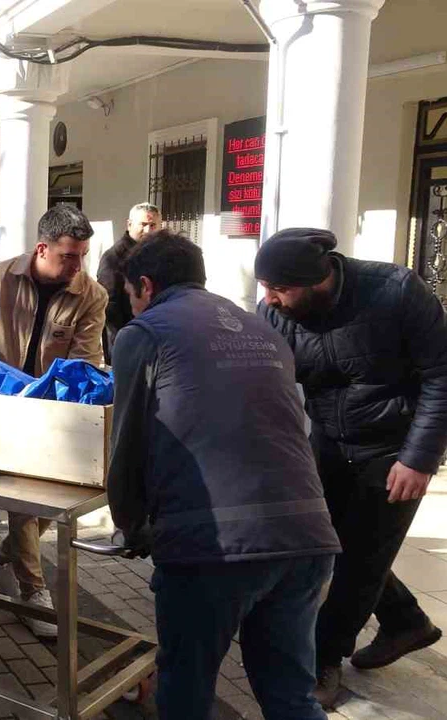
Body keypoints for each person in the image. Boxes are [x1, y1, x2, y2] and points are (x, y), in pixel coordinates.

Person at [108, 231, 340, 720]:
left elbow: (128, 444)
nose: (132, 306)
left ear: (145, 285)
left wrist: (130, 525)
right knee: (290, 695)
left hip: (213, 546)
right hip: (307, 536)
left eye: (130, 295)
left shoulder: (144, 333)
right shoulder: (262, 328)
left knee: (186, 690)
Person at [255, 228, 447, 709]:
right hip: (329, 440)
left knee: (358, 561)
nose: (269, 299)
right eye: (265, 287)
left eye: (279, 289)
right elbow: (263, 379)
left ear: (317, 280)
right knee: (327, 542)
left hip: (396, 447)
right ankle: (405, 621)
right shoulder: (276, 312)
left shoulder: (396, 291)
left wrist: (419, 459)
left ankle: (324, 659)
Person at [0, 203, 107, 637]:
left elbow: (84, 362)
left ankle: (6, 557)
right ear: (42, 249)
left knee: (47, 501)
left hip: (55, 411)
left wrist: (62, 402)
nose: (77, 266)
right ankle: (31, 589)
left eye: (82, 256)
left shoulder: (92, 295)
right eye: (69, 256)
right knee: (24, 500)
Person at [97, 203, 161, 363]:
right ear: (129, 224)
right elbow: (109, 304)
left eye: (153, 225)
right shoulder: (114, 257)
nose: (148, 230)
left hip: (154, 336)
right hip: (125, 338)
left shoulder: (160, 254)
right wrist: (123, 338)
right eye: (143, 224)